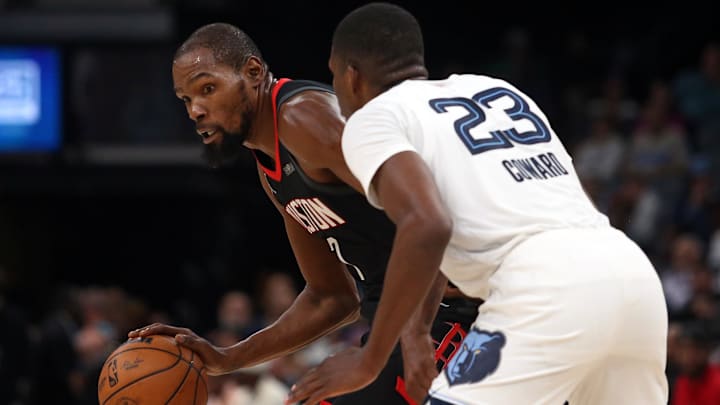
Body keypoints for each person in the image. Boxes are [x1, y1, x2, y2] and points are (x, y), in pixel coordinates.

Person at [286, 3, 669, 405]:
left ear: (352, 76)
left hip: (543, 287)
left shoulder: (373, 119)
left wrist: (370, 358)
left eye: (333, 75)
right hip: (631, 274)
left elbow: (428, 225)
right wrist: (415, 334)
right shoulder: (497, 90)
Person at [127, 22, 477, 404]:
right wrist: (227, 358)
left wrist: (395, 344)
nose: (196, 110)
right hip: (400, 323)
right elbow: (331, 298)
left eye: (208, 89)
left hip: (454, 311)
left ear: (254, 73)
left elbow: (429, 214)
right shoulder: (271, 167)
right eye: (185, 99)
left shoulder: (306, 118)